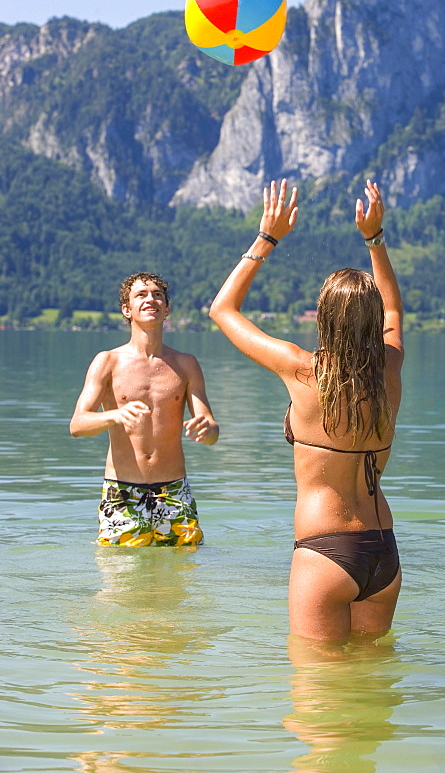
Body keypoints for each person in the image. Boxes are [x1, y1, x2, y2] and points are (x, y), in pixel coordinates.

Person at [209, 179, 404, 641]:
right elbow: (395, 312)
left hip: (326, 551)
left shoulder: (302, 371)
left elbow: (222, 310)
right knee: (373, 688)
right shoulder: (390, 370)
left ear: (322, 317)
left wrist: (268, 237)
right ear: (374, 321)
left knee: (314, 697)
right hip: (383, 552)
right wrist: (374, 238)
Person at [70, 272, 219, 546]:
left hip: (174, 492)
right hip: (122, 493)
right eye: (141, 294)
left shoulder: (186, 364)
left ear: (167, 309)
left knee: (181, 581)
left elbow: (211, 431)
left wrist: (206, 429)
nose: (150, 299)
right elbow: (78, 425)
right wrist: (115, 414)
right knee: (119, 581)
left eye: (157, 294)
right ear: (127, 309)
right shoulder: (108, 362)